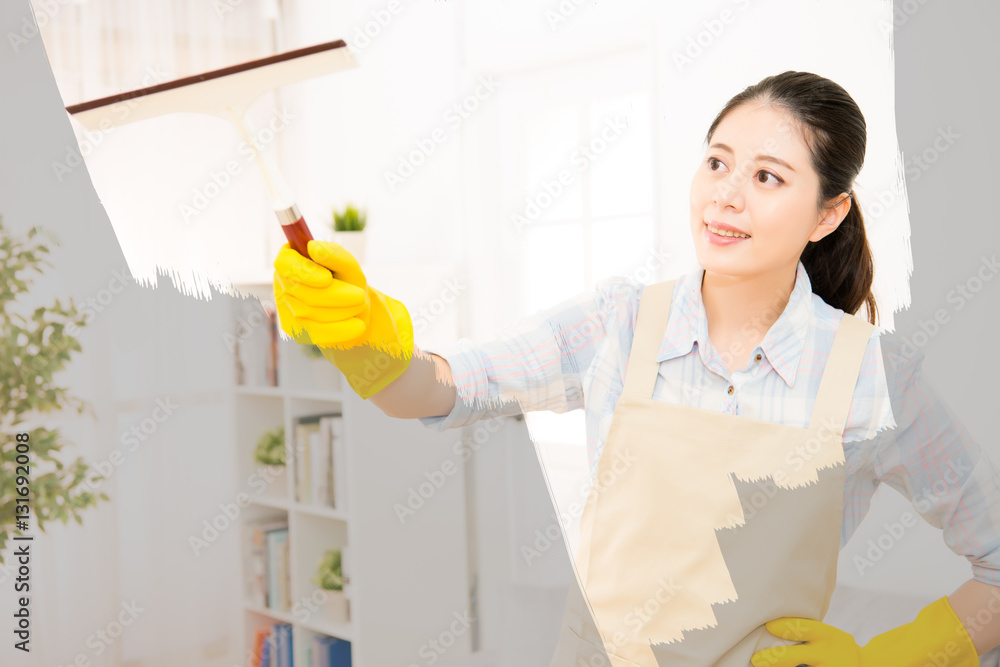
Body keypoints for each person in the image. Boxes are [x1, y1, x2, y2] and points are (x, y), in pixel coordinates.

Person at [272, 71, 1000, 665]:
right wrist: (369, 340)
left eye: (768, 177)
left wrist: (900, 654)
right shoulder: (618, 324)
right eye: (717, 161)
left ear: (827, 215)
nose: (726, 193)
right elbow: (443, 388)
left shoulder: (872, 374)